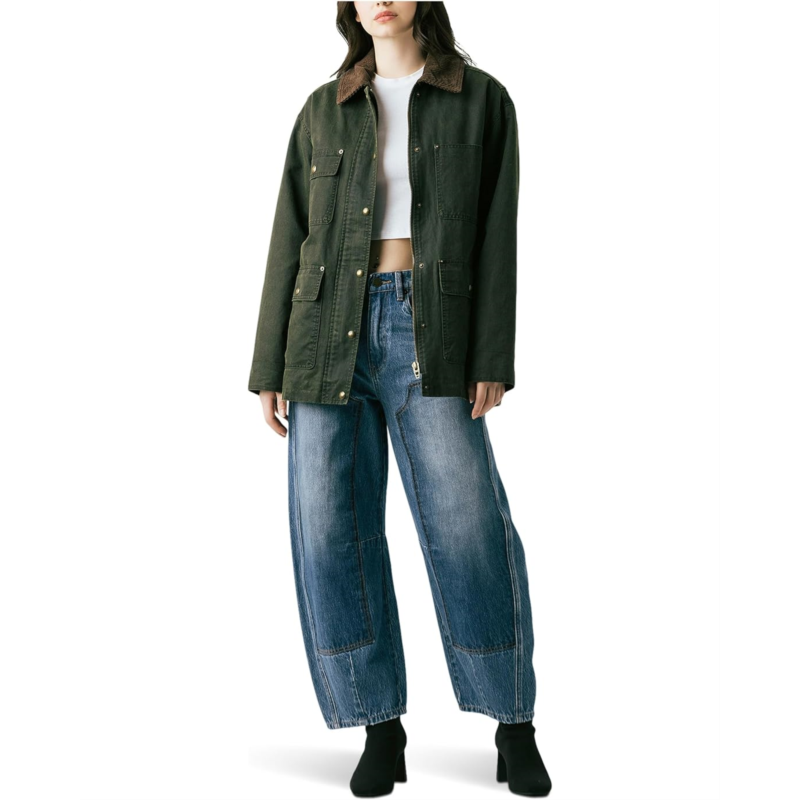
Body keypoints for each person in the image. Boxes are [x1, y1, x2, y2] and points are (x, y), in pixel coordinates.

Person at [248, 2, 552, 796]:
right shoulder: (324, 108)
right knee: (330, 534)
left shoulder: (481, 99)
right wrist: (269, 362)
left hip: (433, 329)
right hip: (323, 335)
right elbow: (290, 234)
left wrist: (491, 354)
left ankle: (512, 720)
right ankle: (379, 726)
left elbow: (498, 232)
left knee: (468, 526)